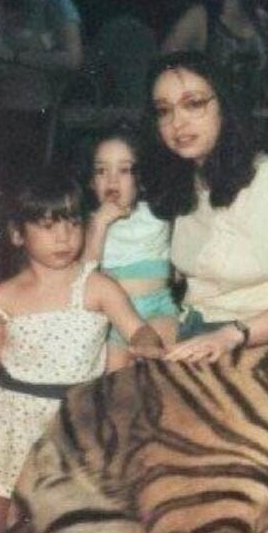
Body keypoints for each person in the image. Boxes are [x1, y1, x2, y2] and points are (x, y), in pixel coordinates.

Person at [0, 170, 164, 533]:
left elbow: (136, 329)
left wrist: (146, 342)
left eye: (73, 223)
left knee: (64, 527)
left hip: (73, 422)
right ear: (17, 234)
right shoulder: (3, 296)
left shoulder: (96, 287)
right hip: (9, 421)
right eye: (46, 225)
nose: (63, 237)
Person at [141, 51, 268, 364]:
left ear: (225, 106)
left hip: (258, 347)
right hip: (194, 337)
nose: (177, 122)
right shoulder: (187, 177)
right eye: (164, 111)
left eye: (193, 104)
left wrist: (228, 336)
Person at [81, 123, 179, 372]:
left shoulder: (157, 215)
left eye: (124, 170)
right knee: (115, 381)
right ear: (91, 181)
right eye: (101, 171)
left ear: (141, 180)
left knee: (159, 368)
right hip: (114, 320)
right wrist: (100, 224)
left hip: (159, 308)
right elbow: (84, 274)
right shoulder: (90, 223)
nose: (112, 179)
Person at [0, 0, 83, 169]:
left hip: (36, 111)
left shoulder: (56, 3)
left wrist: (15, 56)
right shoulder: (2, 4)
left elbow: (73, 58)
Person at [161, 0, 268, 112]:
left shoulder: (263, 21)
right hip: (210, 121)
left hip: (255, 122)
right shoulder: (199, 18)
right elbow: (163, 66)